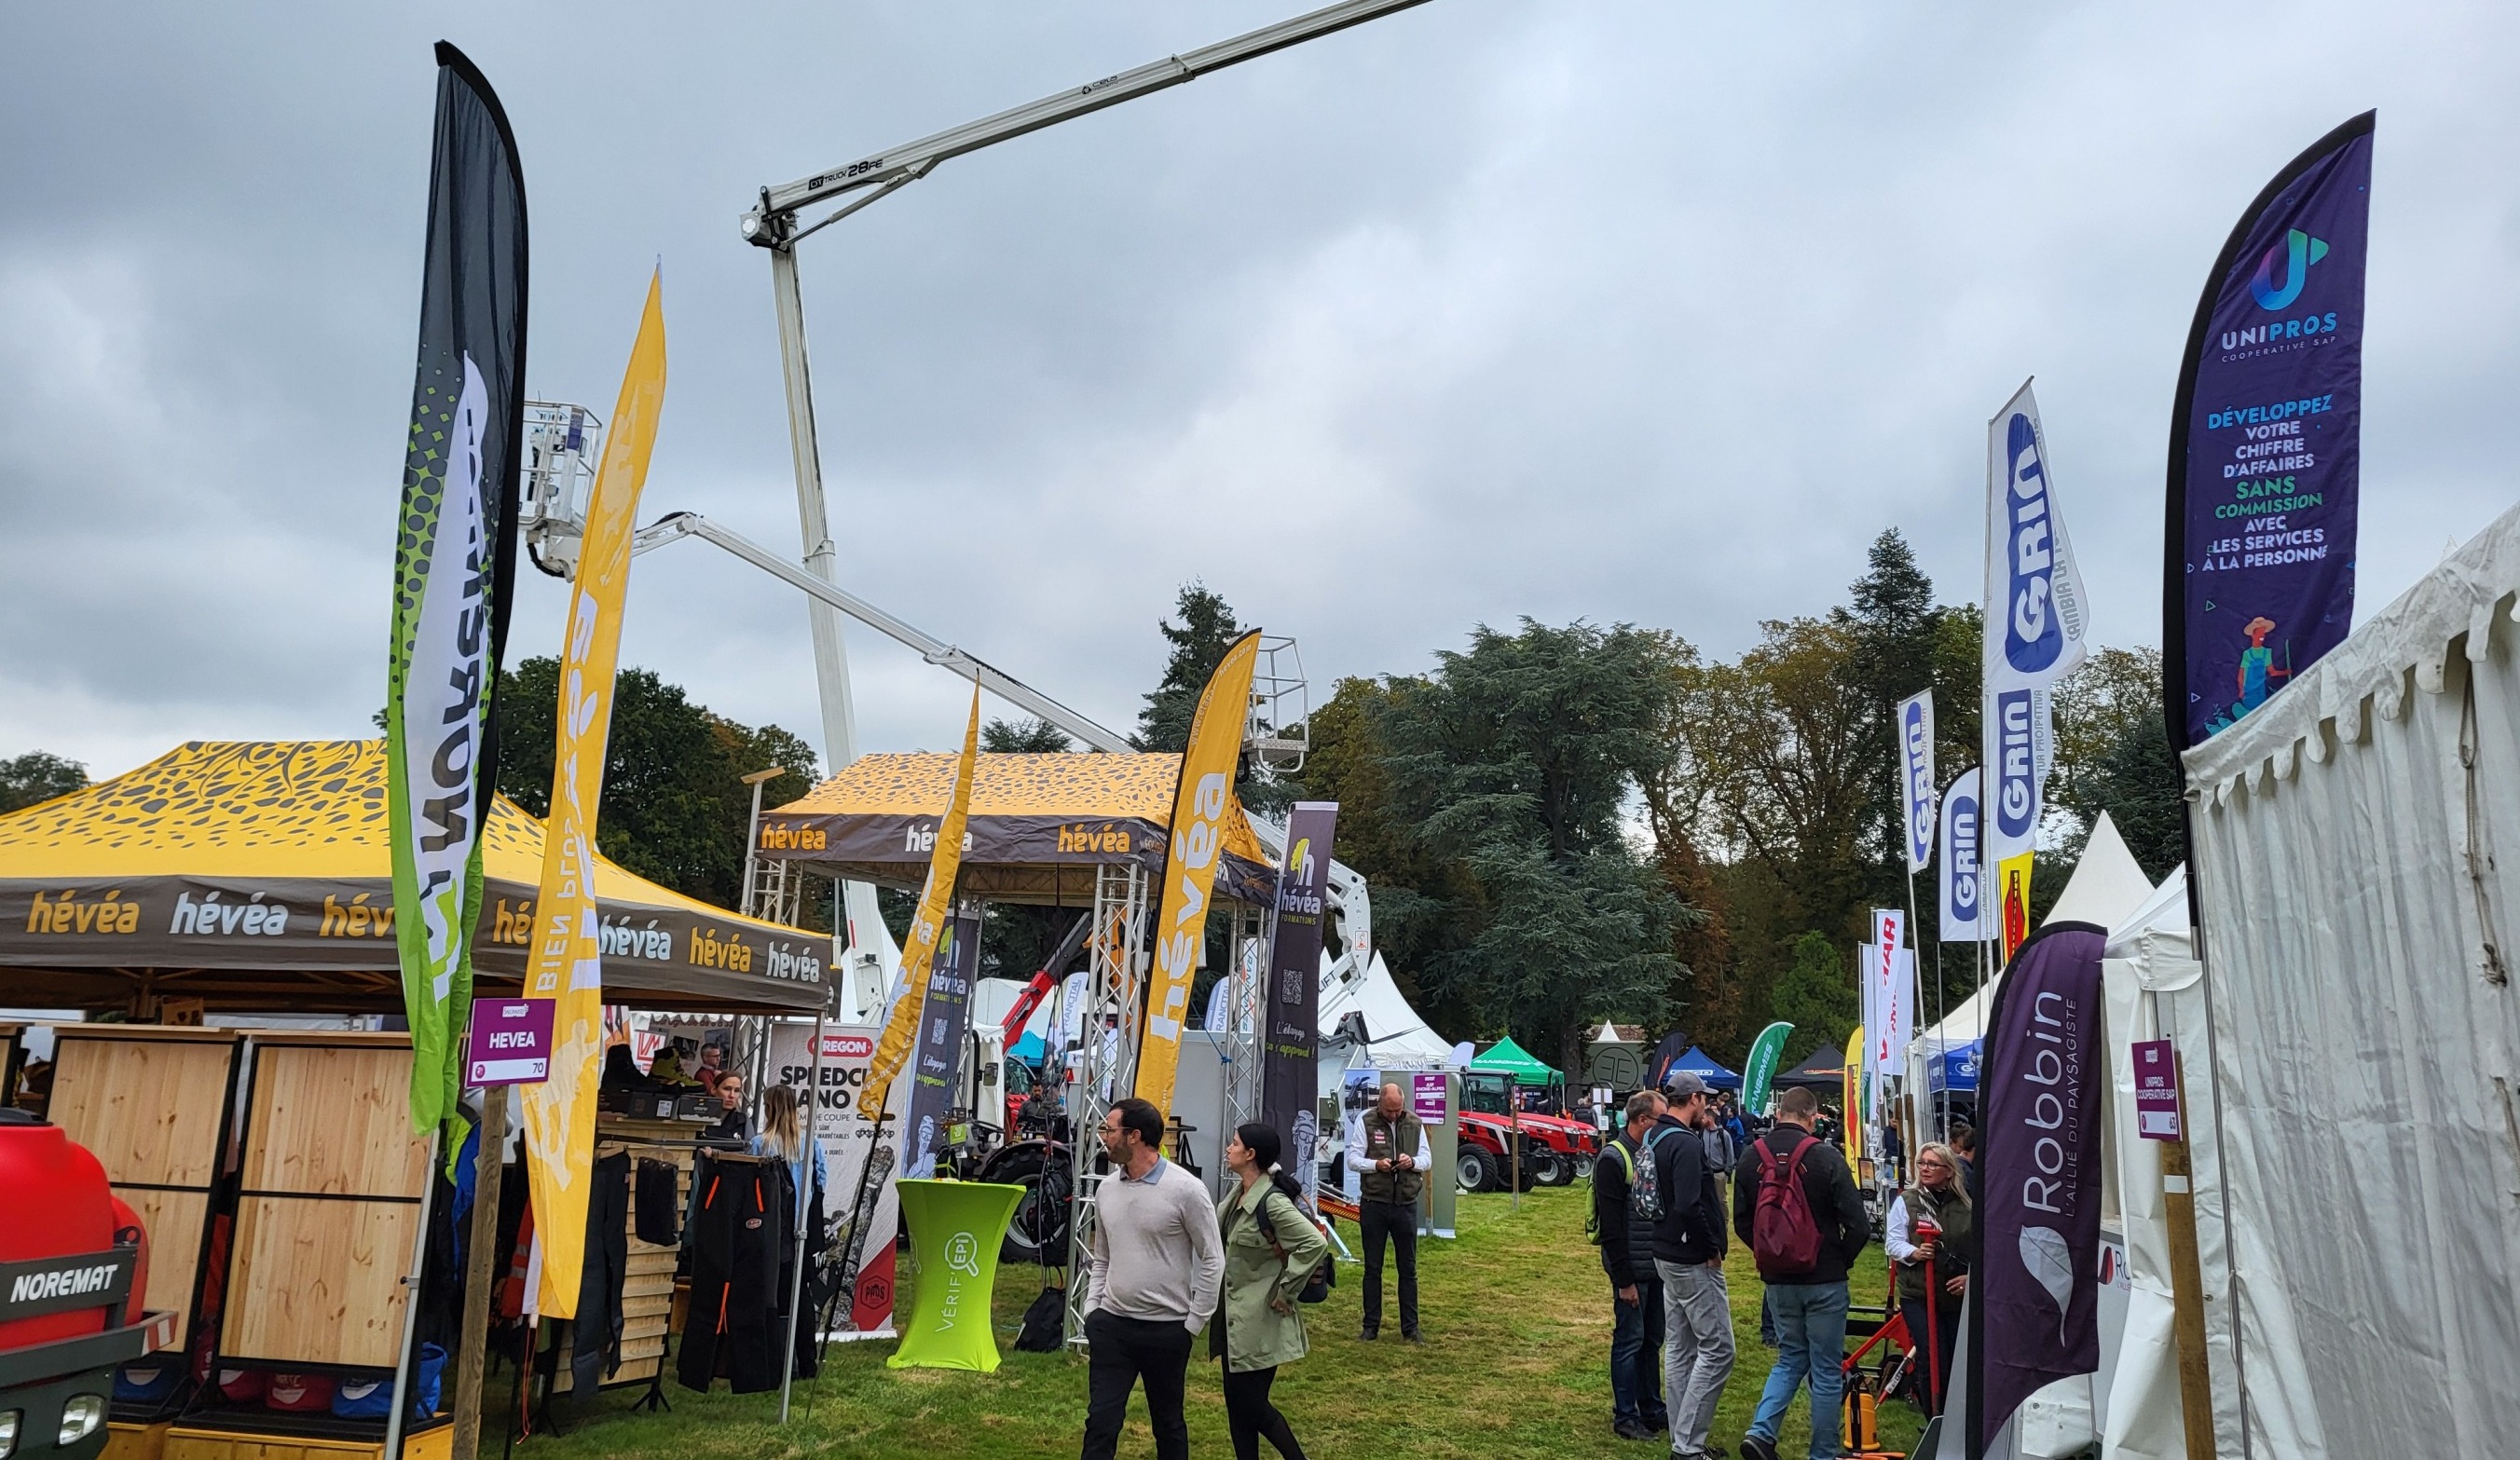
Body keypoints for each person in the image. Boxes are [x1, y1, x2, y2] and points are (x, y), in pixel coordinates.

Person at [1082, 1098, 1226, 1460]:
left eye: (1109, 1130)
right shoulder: (1107, 1189)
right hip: (1112, 1326)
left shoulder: (1186, 1190)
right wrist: (1093, 1309)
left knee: (1168, 1424)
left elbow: (1212, 1258)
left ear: (1134, 1136)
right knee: (1101, 1421)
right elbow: (1103, 1256)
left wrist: (1193, 1323)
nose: (1104, 1138)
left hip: (1167, 1329)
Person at [1732, 1085, 1870, 1460]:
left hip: (1778, 1279)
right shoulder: (1826, 1157)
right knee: (1825, 1370)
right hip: (1824, 1276)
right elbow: (1858, 1224)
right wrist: (1841, 1259)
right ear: (1812, 1118)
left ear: (1779, 1114)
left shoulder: (1749, 1158)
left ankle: (1761, 1433)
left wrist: (1769, 1254)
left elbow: (1742, 1223)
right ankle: (1822, 1453)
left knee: (1790, 1357)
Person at [1212, 1123, 1326, 1460]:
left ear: (1250, 1155)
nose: (1228, 1149)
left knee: (1251, 1405)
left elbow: (1313, 1242)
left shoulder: (1272, 1202)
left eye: (1234, 1145)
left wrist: (1286, 1290)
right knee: (1238, 1408)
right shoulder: (1239, 1194)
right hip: (1234, 1319)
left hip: (1260, 1320)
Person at [1650, 1072, 1734, 1460]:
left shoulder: (1656, 1135)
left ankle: (1681, 1439)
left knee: (1680, 1349)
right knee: (1718, 1350)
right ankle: (1687, 1445)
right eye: (1706, 1100)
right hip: (1690, 1258)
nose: (1710, 1107)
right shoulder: (1683, 1142)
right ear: (1695, 1099)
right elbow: (1688, 1204)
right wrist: (1711, 1246)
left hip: (1665, 1253)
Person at [1593, 1090, 1669, 1441]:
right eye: (1660, 1119)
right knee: (1629, 1340)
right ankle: (1625, 1416)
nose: (1664, 1125)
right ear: (1642, 1121)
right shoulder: (1614, 1158)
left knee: (1651, 1340)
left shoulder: (1649, 1154)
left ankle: (1651, 1408)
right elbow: (1611, 1228)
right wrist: (1624, 1281)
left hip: (1654, 1267)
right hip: (1631, 1271)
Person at [1885, 1142, 1972, 1413]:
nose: (1925, 1168)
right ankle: (1934, 1416)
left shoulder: (1968, 1205)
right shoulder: (1907, 1201)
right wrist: (1914, 1252)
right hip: (1919, 1294)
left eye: (1933, 1164)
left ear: (1949, 1171)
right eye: (1922, 1163)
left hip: (1956, 1296)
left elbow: (1986, 1249)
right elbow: (1893, 1242)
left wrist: (1971, 1278)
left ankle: (1956, 1418)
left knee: (1958, 1361)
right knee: (1931, 1356)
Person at [753, 1084, 829, 1377]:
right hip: (804, 1227)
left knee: (775, 1292)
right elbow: (821, 1181)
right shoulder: (810, 1142)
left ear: (770, 1108)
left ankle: (776, 1358)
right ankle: (806, 1361)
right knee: (801, 1293)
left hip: (774, 1229)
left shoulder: (761, 1143)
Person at [1346, 1081, 1430, 1341]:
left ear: (1403, 1105)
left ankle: (1411, 1328)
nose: (1393, 1115)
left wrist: (1412, 1161)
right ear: (1379, 1103)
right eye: (1389, 1110)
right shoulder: (1366, 1121)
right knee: (1373, 1268)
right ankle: (1370, 1327)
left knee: (1408, 1269)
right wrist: (1376, 1165)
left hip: (1405, 1204)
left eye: (1397, 1110)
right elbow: (1353, 1159)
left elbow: (1427, 1160)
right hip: (1374, 1204)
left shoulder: (1415, 1123)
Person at [705, 1071, 751, 1144]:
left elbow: (749, 1152)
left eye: (737, 1090)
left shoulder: (743, 1121)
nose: (732, 1095)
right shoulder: (699, 1116)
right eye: (727, 1089)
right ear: (713, 1089)